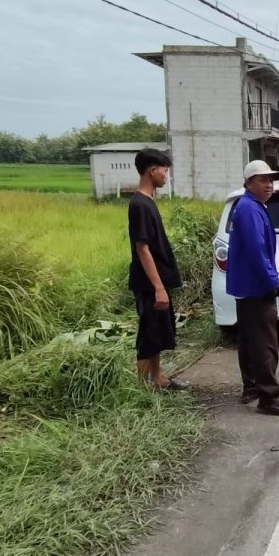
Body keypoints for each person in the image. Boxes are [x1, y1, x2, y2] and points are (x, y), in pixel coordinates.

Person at [226, 160, 279, 416]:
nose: (269, 185)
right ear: (248, 183)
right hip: (257, 286)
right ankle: (268, 397)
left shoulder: (250, 206)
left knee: (249, 340)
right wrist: (272, 280)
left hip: (248, 286)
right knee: (265, 343)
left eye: (271, 180)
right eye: (262, 180)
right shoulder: (249, 209)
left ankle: (252, 388)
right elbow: (257, 250)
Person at [127, 148, 188, 391]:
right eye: (164, 171)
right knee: (148, 335)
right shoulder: (140, 205)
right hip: (149, 284)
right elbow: (142, 249)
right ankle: (143, 389)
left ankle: (158, 379)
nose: (166, 175)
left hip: (156, 282)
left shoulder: (148, 201)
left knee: (158, 333)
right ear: (152, 171)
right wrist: (158, 288)